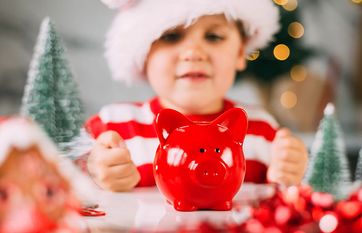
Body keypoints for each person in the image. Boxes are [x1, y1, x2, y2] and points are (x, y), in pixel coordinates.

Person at [83, 0, 308, 192]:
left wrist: (290, 172)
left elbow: (283, 201)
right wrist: (95, 169)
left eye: (213, 36)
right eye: (171, 36)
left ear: (240, 52)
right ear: (143, 53)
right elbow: (64, 178)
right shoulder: (115, 126)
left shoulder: (261, 130)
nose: (193, 52)